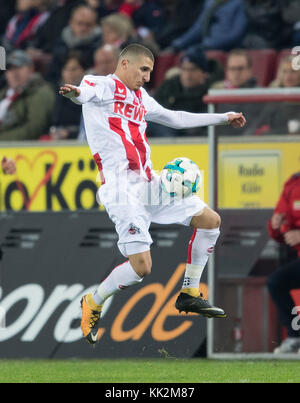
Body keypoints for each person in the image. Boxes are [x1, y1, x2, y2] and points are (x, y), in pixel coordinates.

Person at [59, 43, 246, 345]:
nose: (147, 77)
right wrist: (74, 94)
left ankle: (189, 292)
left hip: (149, 184)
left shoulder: (141, 98)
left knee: (210, 220)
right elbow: (83, 94)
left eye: (150, 71)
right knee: (141, 268)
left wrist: (222, 117)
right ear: (124, 65)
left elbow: (176, 118)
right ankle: (93, 301)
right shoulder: (101, 84)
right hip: (121, 190)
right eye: (143, 70)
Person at [148, 49, 224, 137]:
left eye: (192, 70)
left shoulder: (211, 92)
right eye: (184, 69)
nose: (187, 75)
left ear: (204, 72)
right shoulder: (170, 85)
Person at [267, 172, 300, 354]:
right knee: (276, 282)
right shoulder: (293, 184)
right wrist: (276, 225)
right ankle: (295, 335)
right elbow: (282, 224)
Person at [0, 50, 55, 141]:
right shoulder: (4, 93)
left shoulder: (40, 92)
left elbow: (34, 128)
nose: (13, 73)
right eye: (9, 69)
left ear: (31, 69)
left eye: (18, 67)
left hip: (22, 151)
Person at [46, 5, 101, 85]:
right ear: (71, 23)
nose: (83, 28)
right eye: (80, 23)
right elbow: (53, 73)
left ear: (95, 25)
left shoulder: (99, 46)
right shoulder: (60, 43)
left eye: (88, 25)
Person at [170, 0, 247, 54]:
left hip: (227, 49)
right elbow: (198, 28)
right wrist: (179, 43)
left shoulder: (239, 3)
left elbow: (236, 33)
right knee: (189, 54)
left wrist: (211, 44)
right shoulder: (209, 2)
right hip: (205, 46)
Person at [212, 49, 259, 136]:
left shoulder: (261, 96)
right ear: (227, 71)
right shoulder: (217, 96)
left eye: (240, 68)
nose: (236, 73)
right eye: (232, 69)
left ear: (249, 70)